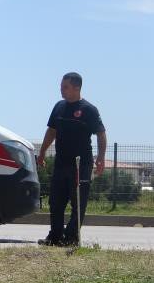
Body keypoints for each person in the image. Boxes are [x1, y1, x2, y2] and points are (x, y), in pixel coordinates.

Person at [37, 72, 106, 247]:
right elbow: (51, 131)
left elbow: (101, 134)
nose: (61, 89)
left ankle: (71, 238)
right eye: (61, 86)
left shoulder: (89, 110)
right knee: (55, 201)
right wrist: (43, 151)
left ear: (77, 87)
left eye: (65, 87)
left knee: (78, 202)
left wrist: (101, 158)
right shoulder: (59, 107)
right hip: (61, 162)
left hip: (80, 164)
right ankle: (55, 237)